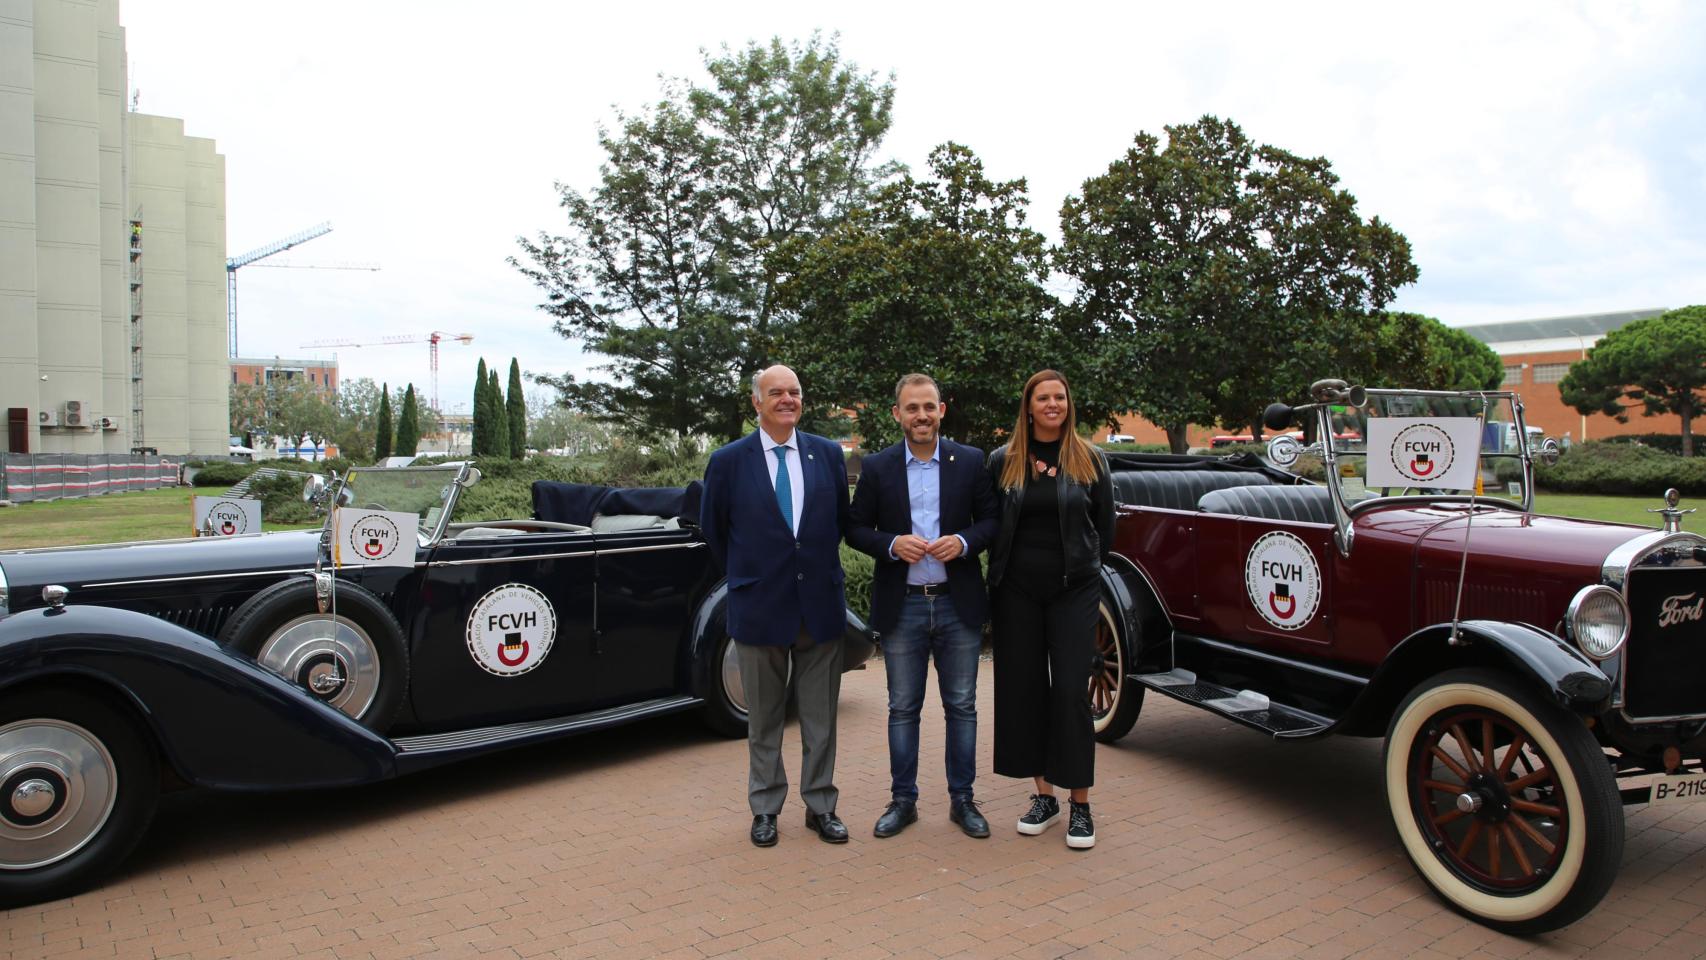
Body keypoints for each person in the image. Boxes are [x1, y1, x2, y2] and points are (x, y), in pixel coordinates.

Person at [701, 365, 852, 847]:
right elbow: (714, 533)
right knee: (763, 718)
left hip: (820, 607)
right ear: (756, 403)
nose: (787, 399)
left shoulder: (827, 454)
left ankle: (821, 806)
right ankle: (765, 808)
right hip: (760, 606)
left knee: (819, 719)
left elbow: (840, 523)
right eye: (776, 393)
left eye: (794, 392)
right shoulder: (728, 462)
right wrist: (752, 576)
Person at [847, 373, 1000, 839]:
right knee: (902, 708)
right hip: (904, 605)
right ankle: (903, 801)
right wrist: (892, 544)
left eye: (928, 407)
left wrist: (964, 541)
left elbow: (994, 519)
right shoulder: (877, 467)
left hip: (958, 604)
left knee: (963, 706)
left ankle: (963, 800)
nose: (921, 416)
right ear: (897, 414)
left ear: (941, 410)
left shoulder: (971, 461)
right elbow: (854, 528)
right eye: (912, 408)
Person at [986, 369, 1114, 849]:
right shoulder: (1004, 461)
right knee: (1025, 692)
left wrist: (1083, 573)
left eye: (1060, 396)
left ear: (1068, 404)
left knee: (1069, 694)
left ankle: (1080, 803)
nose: (1053, 404)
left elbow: (1104, 528)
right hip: (1016, 593)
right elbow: (991, 525)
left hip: (1073, 592)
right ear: (1029, 405)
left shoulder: (1090, 460)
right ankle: (1044, 795)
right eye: (1043, 397)